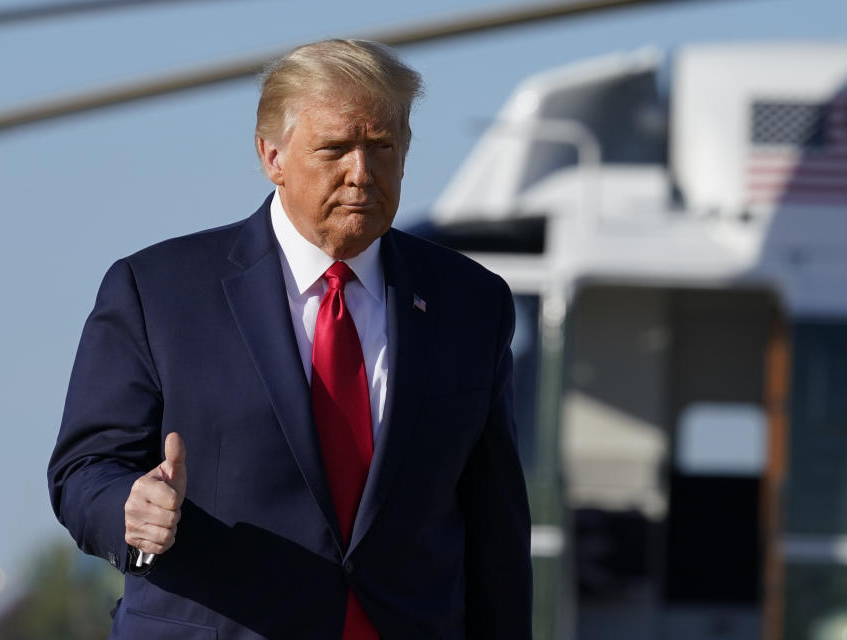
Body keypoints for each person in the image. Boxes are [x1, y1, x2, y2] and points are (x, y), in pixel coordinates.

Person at [47, 39, 532, 639]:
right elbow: (84, 468)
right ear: (271, 156)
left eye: (382, 147)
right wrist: (129, 509)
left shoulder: (470, 302)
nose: (362, 173)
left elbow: (496, 526)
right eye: (335, 149)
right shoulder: (157, 291)